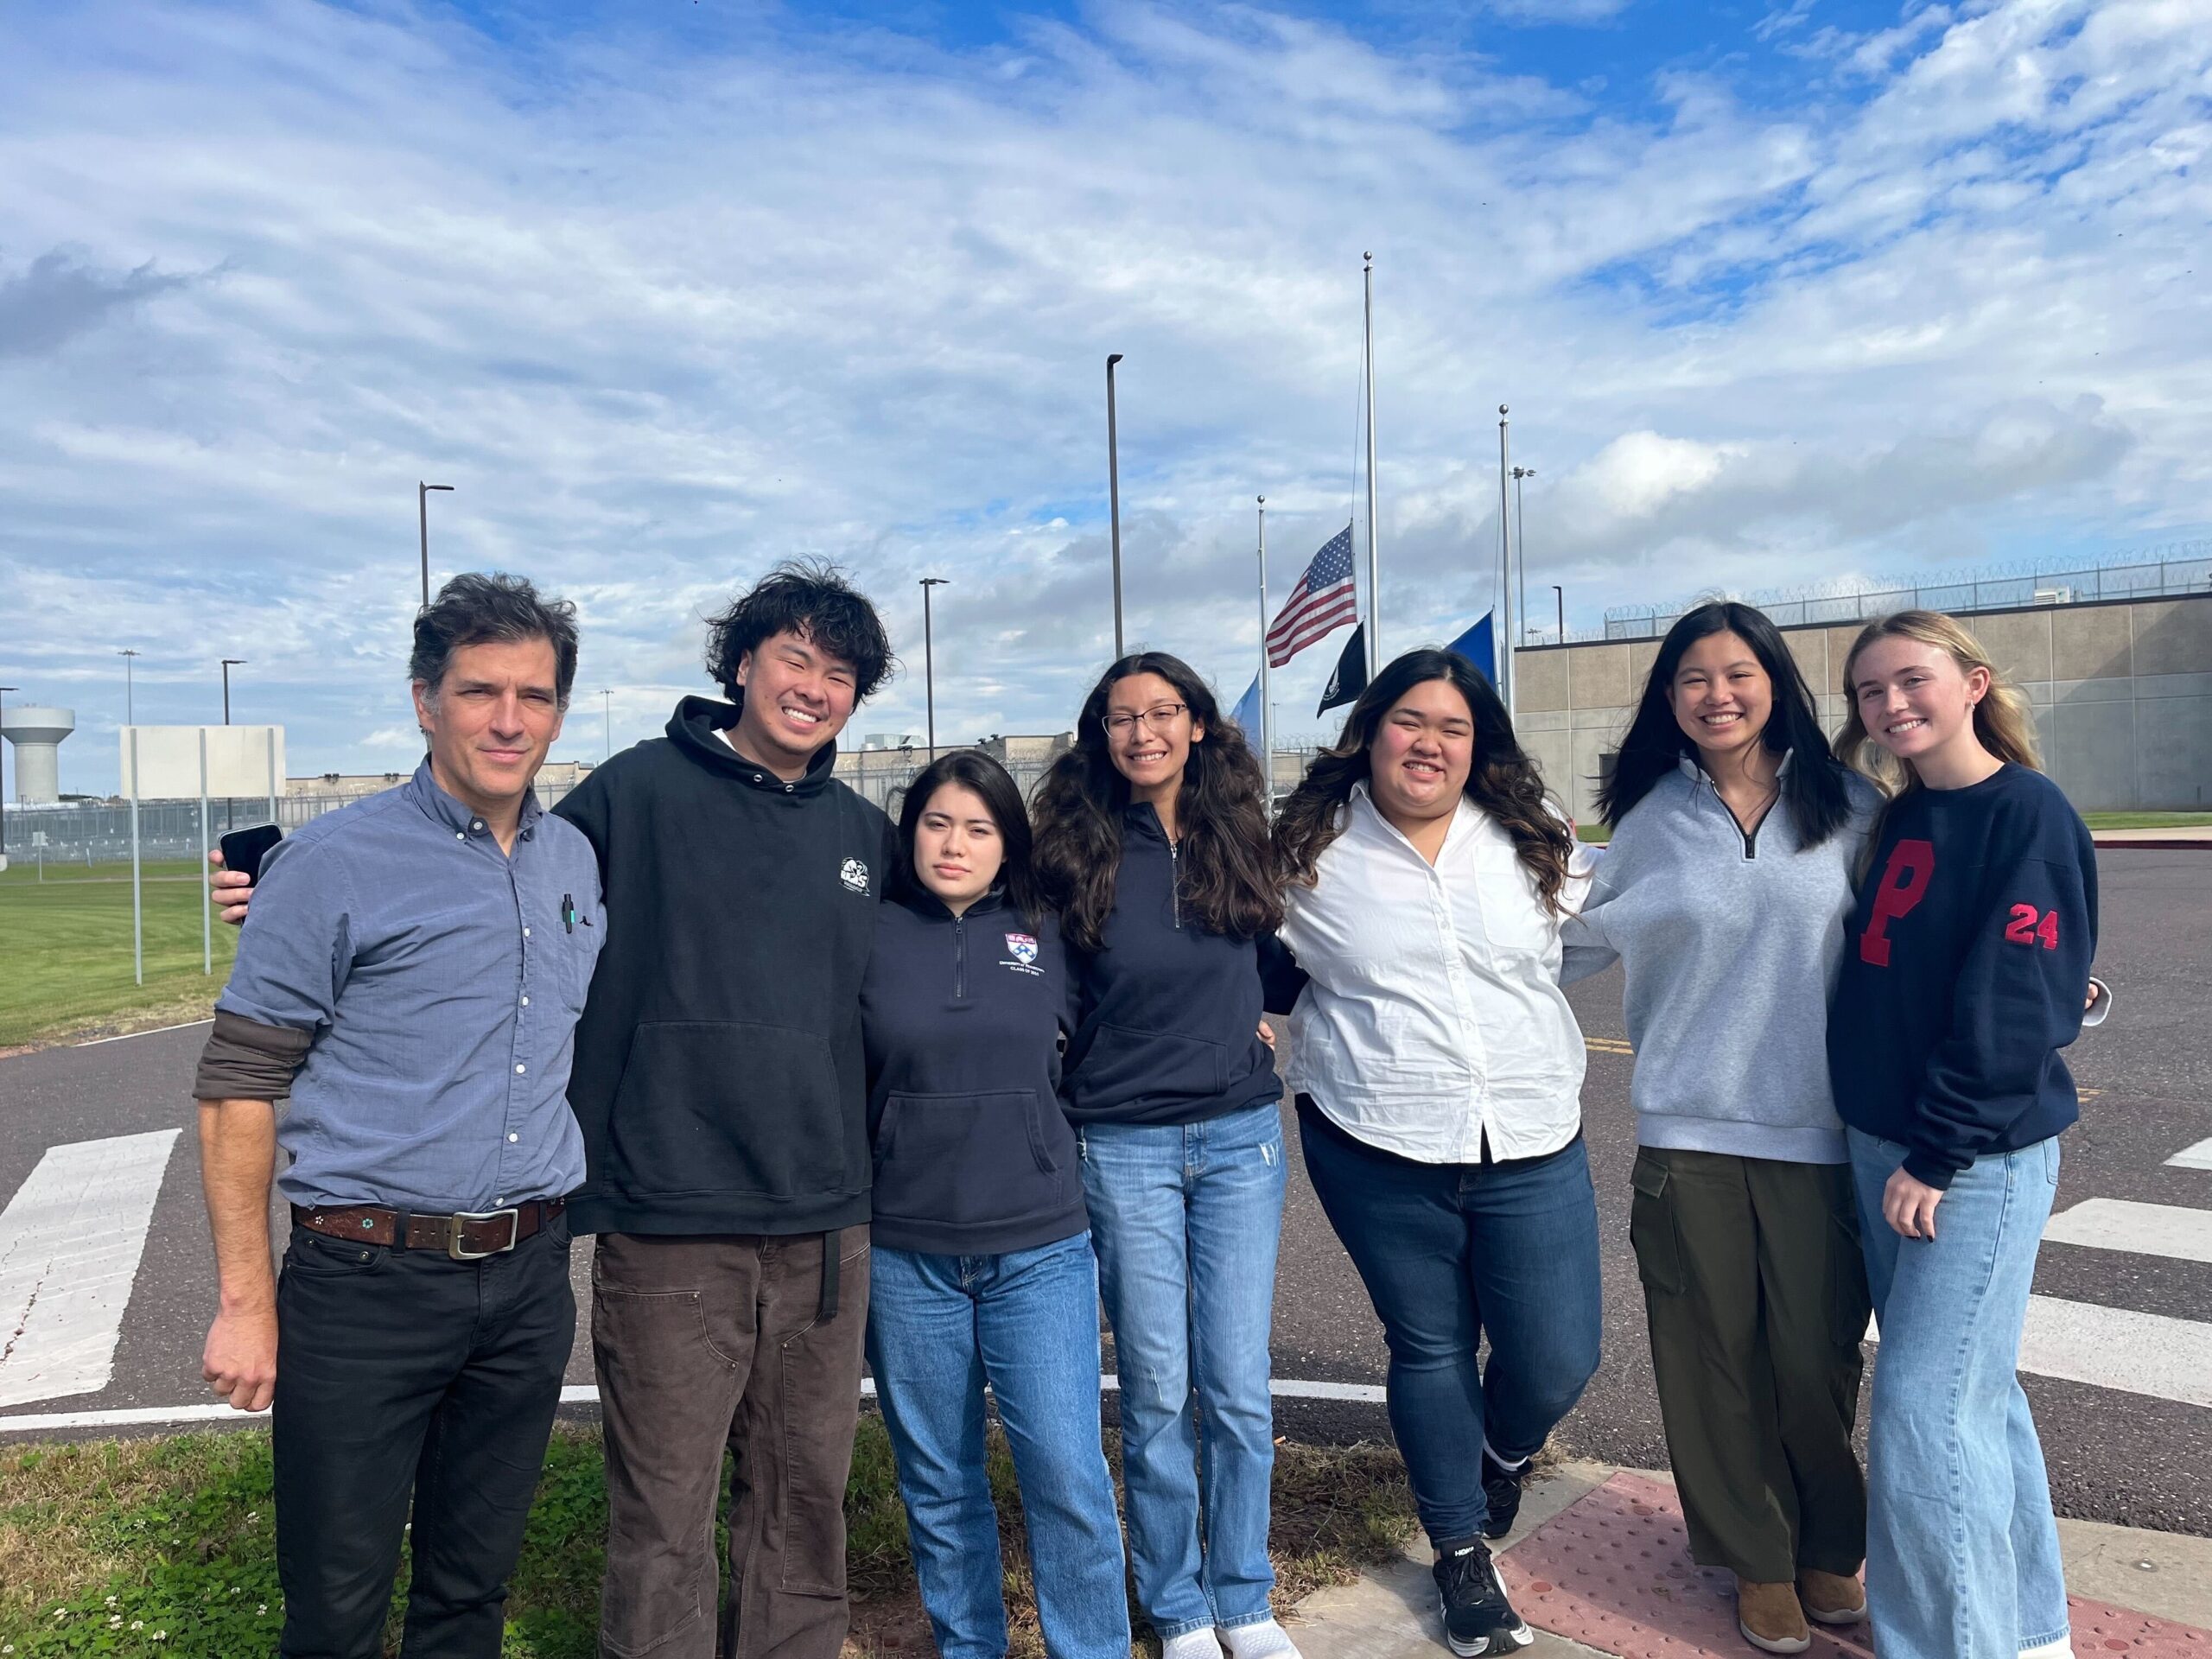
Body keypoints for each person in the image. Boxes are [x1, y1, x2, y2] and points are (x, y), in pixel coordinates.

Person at [193, 573, 601, 1658]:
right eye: (479, 692)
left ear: (559, 711)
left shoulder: (572, 863)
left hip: (524, 1284)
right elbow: (237, 1087)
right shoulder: (332, 863)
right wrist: (244, 1303)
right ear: (426, 702)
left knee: (471, 1594)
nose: (508, 720)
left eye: (535, 695)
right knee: (335, 1608)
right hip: (364, 1286)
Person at [1269, 648, 1598, 1659]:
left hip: (1531, 1130)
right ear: (1370, 732)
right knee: (1430, 1349)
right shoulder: (1303, 850)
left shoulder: (1531, 839)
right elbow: (1237, 950)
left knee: (1556, 1355)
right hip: (1374, 1134)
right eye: (1410, 722)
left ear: (1476, 745)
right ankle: (1458, 1550)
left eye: (1453, 728)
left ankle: (1498, 1452)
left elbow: (1586, 946)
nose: (1430, 743)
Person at [1564, 601, 1875, 1654]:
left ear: (1775, 683)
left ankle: (1828, 1543)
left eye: (1737, 674)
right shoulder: (1648, 819)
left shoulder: (1849, 807)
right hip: (1686, 1139)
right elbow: (1567, 948)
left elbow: (1918, 939)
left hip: (1821, 1135)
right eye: (1692, 678)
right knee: (1710, 1363)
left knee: (1816, 1359)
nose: (1716, 695)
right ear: (1668, 698)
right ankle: (1756, 1562)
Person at [1828, 609, 2107, 1659]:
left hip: (1963, 1162)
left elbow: (2017, 1006)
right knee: (1973, 1407)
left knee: (1923, 1418)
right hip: (1883, 1144)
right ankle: (2029, 1634)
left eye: (1911, 681)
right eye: (1868, 691)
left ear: (1973, 683)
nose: (1890, 704)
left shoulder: (2024, 814)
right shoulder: (1901, 818)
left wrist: (1936, 1152)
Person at [1031, 652, 1294, 1659]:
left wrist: (1244, 1023)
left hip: (1239, 1139)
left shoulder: (1240, 838)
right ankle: (1178, 1603)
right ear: (1100, 733)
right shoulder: (1073, 850)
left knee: (1233, 1383)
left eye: (1162, 713)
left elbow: (1273, 964)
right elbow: (1048, 994)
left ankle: (1244, 1594)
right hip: (1123, 1142)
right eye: (1121, 717)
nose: (1142, 733)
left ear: (1197, 726)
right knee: (1156, 1387)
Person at [861, 749, 1130, 1659]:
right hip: (906, 1254)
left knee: (1066, 1474)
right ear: (911, 832)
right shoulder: (868, 932)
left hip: (1039, 1248)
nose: (953, 843)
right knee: (938, 1482)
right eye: (936, 822)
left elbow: (1123, 1029)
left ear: (1006, 843)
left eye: (978, 827)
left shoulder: (1050, 932)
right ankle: (968, 1646)